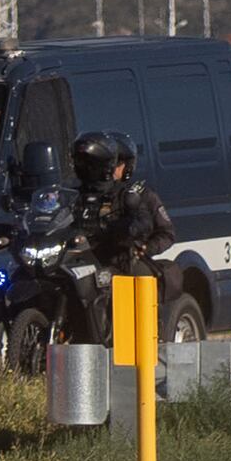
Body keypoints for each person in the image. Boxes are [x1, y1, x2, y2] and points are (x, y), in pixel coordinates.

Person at [67, 130, 179, 348]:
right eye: (111, 163)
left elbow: (164, 231)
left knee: (137, 280)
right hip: (87, 257)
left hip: (124, 256)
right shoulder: (77, 194)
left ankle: (148, 342)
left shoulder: (137, 194)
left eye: (119, 164)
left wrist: (144, 246)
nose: (114, 169)